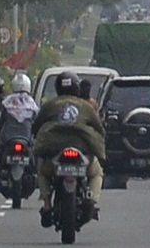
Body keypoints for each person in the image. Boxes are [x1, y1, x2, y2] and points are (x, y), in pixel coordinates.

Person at [32, 71, 106, 227]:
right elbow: (99, 128)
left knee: (43, 173)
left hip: (54, 154)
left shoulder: (50, 105)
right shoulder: (86, 106)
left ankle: (46, 204)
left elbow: (36, 126)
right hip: (81, 153)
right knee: (96, 172)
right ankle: (91, 199)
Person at [0, 73, 39, 187]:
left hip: (8, 139)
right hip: (26, 139)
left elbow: (1, 121)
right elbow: (37, 121)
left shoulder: (7, 101)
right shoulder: (31, 103)